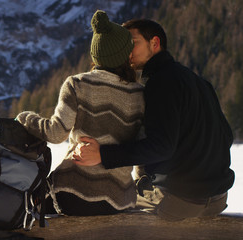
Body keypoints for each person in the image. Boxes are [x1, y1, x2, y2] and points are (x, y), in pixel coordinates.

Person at [73, 19, 235, 221]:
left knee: (110, 201)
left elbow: (161, 146)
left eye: (133, 43)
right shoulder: (200, 82)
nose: (127, 52)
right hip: (218, 199)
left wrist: (103, 155)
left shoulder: (161, 82)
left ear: (154, 43)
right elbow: (227, 136)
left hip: (179, 201)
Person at [16, 10, 145, 216]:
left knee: (23, 207)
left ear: (96, 54)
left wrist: (26, 119)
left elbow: (56, 133)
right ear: (124, 55)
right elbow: (141, 148)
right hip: (120, 200)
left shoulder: (77, 84)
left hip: (74, 194)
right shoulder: (140, 94)